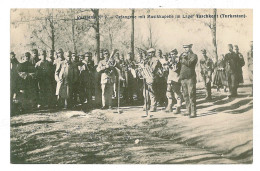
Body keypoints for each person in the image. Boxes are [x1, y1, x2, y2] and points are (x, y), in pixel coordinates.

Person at [179, 44, 198, 118]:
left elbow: (189, 63)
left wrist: (183, 59)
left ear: (190, 48)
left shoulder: (194, 56)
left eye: (187, 47)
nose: (185, 49)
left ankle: (193, 112)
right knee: (185, 95)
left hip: (190, 78)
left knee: (191, 94)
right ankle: (188, 110)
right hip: (183, 77)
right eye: (184, 48)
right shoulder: (182, 56)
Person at [165, 49, 182, 114]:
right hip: (170, 78)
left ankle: (178, 106)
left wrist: (170, 64)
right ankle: (170, 105)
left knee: (177, 93)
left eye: (173, 54)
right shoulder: (170, 60)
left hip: (176, 78)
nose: (172, 56)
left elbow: (175, 69)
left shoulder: (178, 61)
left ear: (176, 54)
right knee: (168, 92)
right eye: (171, 54)